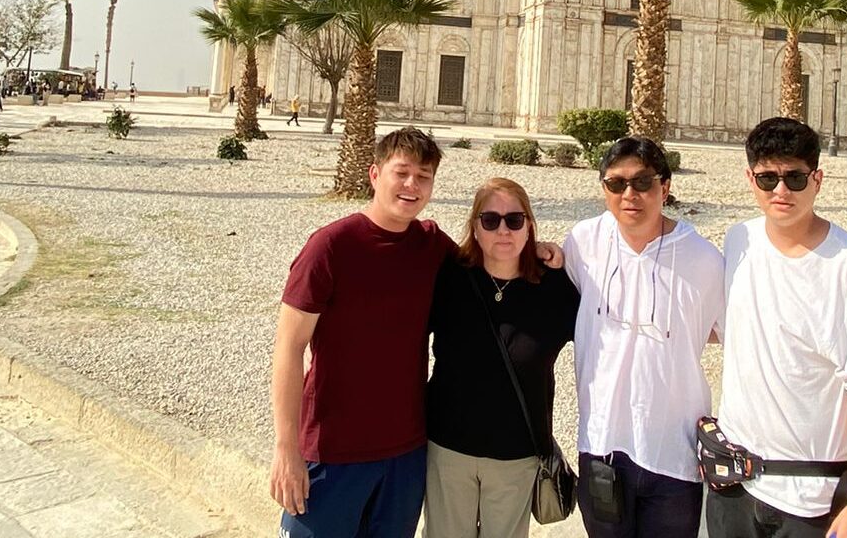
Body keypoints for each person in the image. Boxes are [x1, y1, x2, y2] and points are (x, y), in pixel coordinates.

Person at [270, 127, 563, 538]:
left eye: (423, 176)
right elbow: (289, 347)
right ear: (375, 174)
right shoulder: (331, 247)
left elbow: (486, 253)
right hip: (332, 452)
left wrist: (532, 246)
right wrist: (286, 449)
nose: (412, 186)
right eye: (402, 173)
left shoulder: (430, 245)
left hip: (406, 455)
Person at [706, 117, 847, 538]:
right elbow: (726, 325)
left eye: (794, 178)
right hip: (732, 486)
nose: (780, 191)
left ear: (818, 180)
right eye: (768, 178)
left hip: (809, 501)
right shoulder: (740, 240)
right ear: (750, 179)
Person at [564, 137, 724, 538]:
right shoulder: (582, 243)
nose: (629, 194)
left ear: (664, 187)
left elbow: (728, 335)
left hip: (675, 455)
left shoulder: (704, 260)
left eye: (642, 182)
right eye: (616, 184)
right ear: (603, 188)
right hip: (601, 445)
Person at [424, 178, 579, 538]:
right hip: (449, 450)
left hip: (518, 454)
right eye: (490, 220)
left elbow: (607, 333)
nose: (503, 230)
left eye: (514, 220)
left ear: (529, 226)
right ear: (475, 228)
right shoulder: (450, 279)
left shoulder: (555, 288)